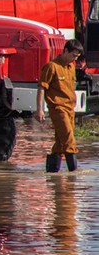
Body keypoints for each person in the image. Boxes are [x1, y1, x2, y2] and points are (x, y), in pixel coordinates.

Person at [36, 39, 84, 172]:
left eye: (77, 57)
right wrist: (39, 110)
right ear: (65, 51)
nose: (74, 59)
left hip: (70, 109)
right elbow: (41, 88)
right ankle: (74, 173)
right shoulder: (51, 67)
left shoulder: (71, 67)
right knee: (69, 140)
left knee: (60, 142)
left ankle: (52, 173)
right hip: (58, 109)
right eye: (73, 56)